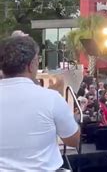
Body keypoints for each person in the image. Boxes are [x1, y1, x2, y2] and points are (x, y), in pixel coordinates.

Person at [0, 36, 80, 170]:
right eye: (38, 60)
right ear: (30, 65)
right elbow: (73, 140)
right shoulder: (51, 98)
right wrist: (72, 116)